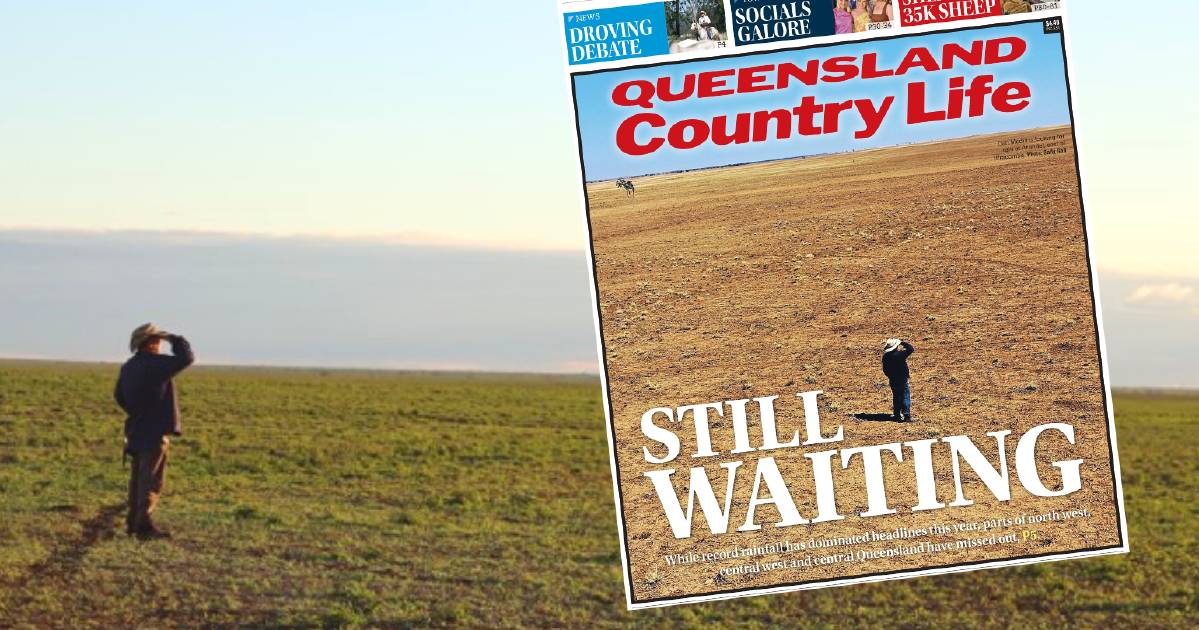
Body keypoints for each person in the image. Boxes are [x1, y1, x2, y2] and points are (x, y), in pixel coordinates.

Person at [114, 323, 194, 539]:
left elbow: (119, 396)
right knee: (151, 480)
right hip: (154, 430)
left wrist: (137, 412)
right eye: (156, 339)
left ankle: (133, 522)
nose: (159, 343)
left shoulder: (128, 367)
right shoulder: (155, 364)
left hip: (136, 428)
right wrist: (175, 339)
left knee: (138, 479)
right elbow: (186, 358)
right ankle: (144, 526)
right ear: (149, 343)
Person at [881, 338, 915, 422]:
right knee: (905, 395)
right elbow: (911, 349)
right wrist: (902, 342)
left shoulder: (886, 357)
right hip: (902, 379)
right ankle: (906, 414)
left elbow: (885, 370)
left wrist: (890, 376)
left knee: (896, 396)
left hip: (893, 379)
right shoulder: (899, 355)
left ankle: (897, 414)